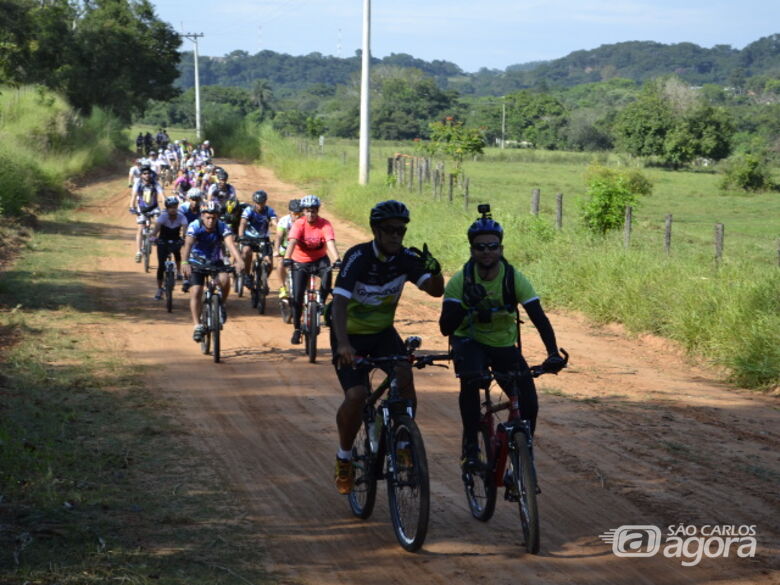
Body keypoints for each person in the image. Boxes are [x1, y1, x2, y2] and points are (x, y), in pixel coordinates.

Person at [438, 205, 566, 471]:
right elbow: (445, 327)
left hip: (503, 345)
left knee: (529, 402)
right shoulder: (460, 281)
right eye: (480, 247)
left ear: (501, 248)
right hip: (469, 341)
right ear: (472, 250)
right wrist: (464, 305)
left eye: (492, 246)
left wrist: (552, 353)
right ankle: (470, 448)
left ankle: (521, 454)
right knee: (471, 382)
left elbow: (539, 318)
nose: (487, 252)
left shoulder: (513, 279)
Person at [329, 200, 444, 494]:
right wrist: (342, 343)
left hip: (382, 334)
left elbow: (435, 291)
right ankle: (344, 459)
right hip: (349, 335)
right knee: (356, 396)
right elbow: (339, 303)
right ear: (376, 231)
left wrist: (436, 271)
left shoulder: (405, 258)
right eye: (390, 230)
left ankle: (403, 444)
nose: (396, 236)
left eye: (401, 231)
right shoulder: (358, 257)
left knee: (404, 376)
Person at [181, 201, 244, 342]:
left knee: (225, 279)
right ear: (202, 216)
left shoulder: (222, 227)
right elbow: (188, 244)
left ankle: (221, 304)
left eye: (214, 218)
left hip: (215, 261)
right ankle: (197, 325)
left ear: (218, 217)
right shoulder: (194, 226)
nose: (211, 221)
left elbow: (230, 244)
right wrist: (185, 262)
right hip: (196, 261)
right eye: (208, 217)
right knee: (196, 291)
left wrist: (239, 259)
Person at [282, 194, 340, 345]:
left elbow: (330, 242)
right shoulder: (299, 224)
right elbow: (292, 241)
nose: (310, 214)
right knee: (297, 296)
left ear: (318, 211)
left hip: (320, 260)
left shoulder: (324, 224)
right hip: (300, 262)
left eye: (313, 211)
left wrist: (337, 260)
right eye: (307, 211)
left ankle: (319, 305)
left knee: (327, 281)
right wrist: (287, 258)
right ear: (304, 211)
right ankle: (297, 329)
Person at [149, 196, 188, 299]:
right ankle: (159, 289)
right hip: (163, 241)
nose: (173, 209)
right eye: (170, 207)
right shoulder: (163, 217)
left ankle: (179, 272)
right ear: (167, 208)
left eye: (175, 206)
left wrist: (185, 238)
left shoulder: (181, 217)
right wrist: (153, 237)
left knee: (177, 253)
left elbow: (185, 230)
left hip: (175, 240)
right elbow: (156, 229)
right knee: (161, 266)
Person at [238, 190, 277, 283]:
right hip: (249, 238)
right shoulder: (249, 210)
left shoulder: (269, 210)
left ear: (265, 202)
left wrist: (278, 226)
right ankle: (247, 275)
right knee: (246, 251)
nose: (260, 205)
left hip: (263, 239)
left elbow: (274, 221)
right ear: (254, 202)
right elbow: (243, 223)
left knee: (269, 264)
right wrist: (241, 236)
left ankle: (262, 281)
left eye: (262, 203)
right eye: (258, 203)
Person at [128, 165, 163, 262]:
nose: (147, 175)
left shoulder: (155, 183)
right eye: (144, 173)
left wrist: (166, 206)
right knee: (140, 228)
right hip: (142, 208)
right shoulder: (138, 183)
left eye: (148, 173)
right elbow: (133, 197)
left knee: (158, 222)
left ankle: (153, 236)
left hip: (154, 207)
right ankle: (138, 251)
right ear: (141, 175)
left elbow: (162, 195)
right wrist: (132, 207)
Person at [274, 198, 302, 299]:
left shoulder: (305, 221)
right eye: (295, 214)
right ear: (290, 212)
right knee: (280, 262)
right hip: (285, 247)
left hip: (301, 249)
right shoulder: (284, 221)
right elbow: (278, 237)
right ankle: (282, 287)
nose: (297, 216)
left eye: (299, 213)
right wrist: (276, 250)